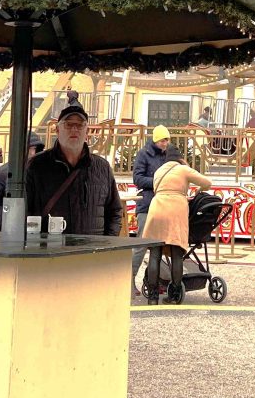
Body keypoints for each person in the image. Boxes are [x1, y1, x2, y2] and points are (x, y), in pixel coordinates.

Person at [25, 104, 121, 236]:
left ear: (87, 132)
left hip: (93, 247)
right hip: (50, 246)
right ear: (57, 130)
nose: (74, 129)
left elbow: (114, 211)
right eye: (68, 124)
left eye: (80, 125)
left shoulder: (102, 167)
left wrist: (109, 241)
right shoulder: (37, 165)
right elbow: (24, 209)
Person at [143, 144, 212, 305]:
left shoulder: (159, 171)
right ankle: (174, 295)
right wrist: (195, 192)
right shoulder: (183, 169)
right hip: (176, 210)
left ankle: (152, 297)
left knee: (155, 253)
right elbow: (207, 183)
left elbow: (157, 189)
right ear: (180, 158)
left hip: (157, 208)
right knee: (176, 253)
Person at [130, 125, 169, 292]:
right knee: (142, 244)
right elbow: (137, 178)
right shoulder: (143, 154)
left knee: (158, 246)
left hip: (164, 206)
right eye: (162, 140)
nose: (165, 144)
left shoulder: (168, 156)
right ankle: (129, 279)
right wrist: (157, 182)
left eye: (167, 140)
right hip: (147, 205)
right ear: (156, 140)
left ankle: (154, 281)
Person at [0, 133, 46, 232]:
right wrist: (8, 222)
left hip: (36, 230)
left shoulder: (41, 173)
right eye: (30, 149)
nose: (33, 153)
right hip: (8, 232)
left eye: (35, 149)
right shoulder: (2, 173)